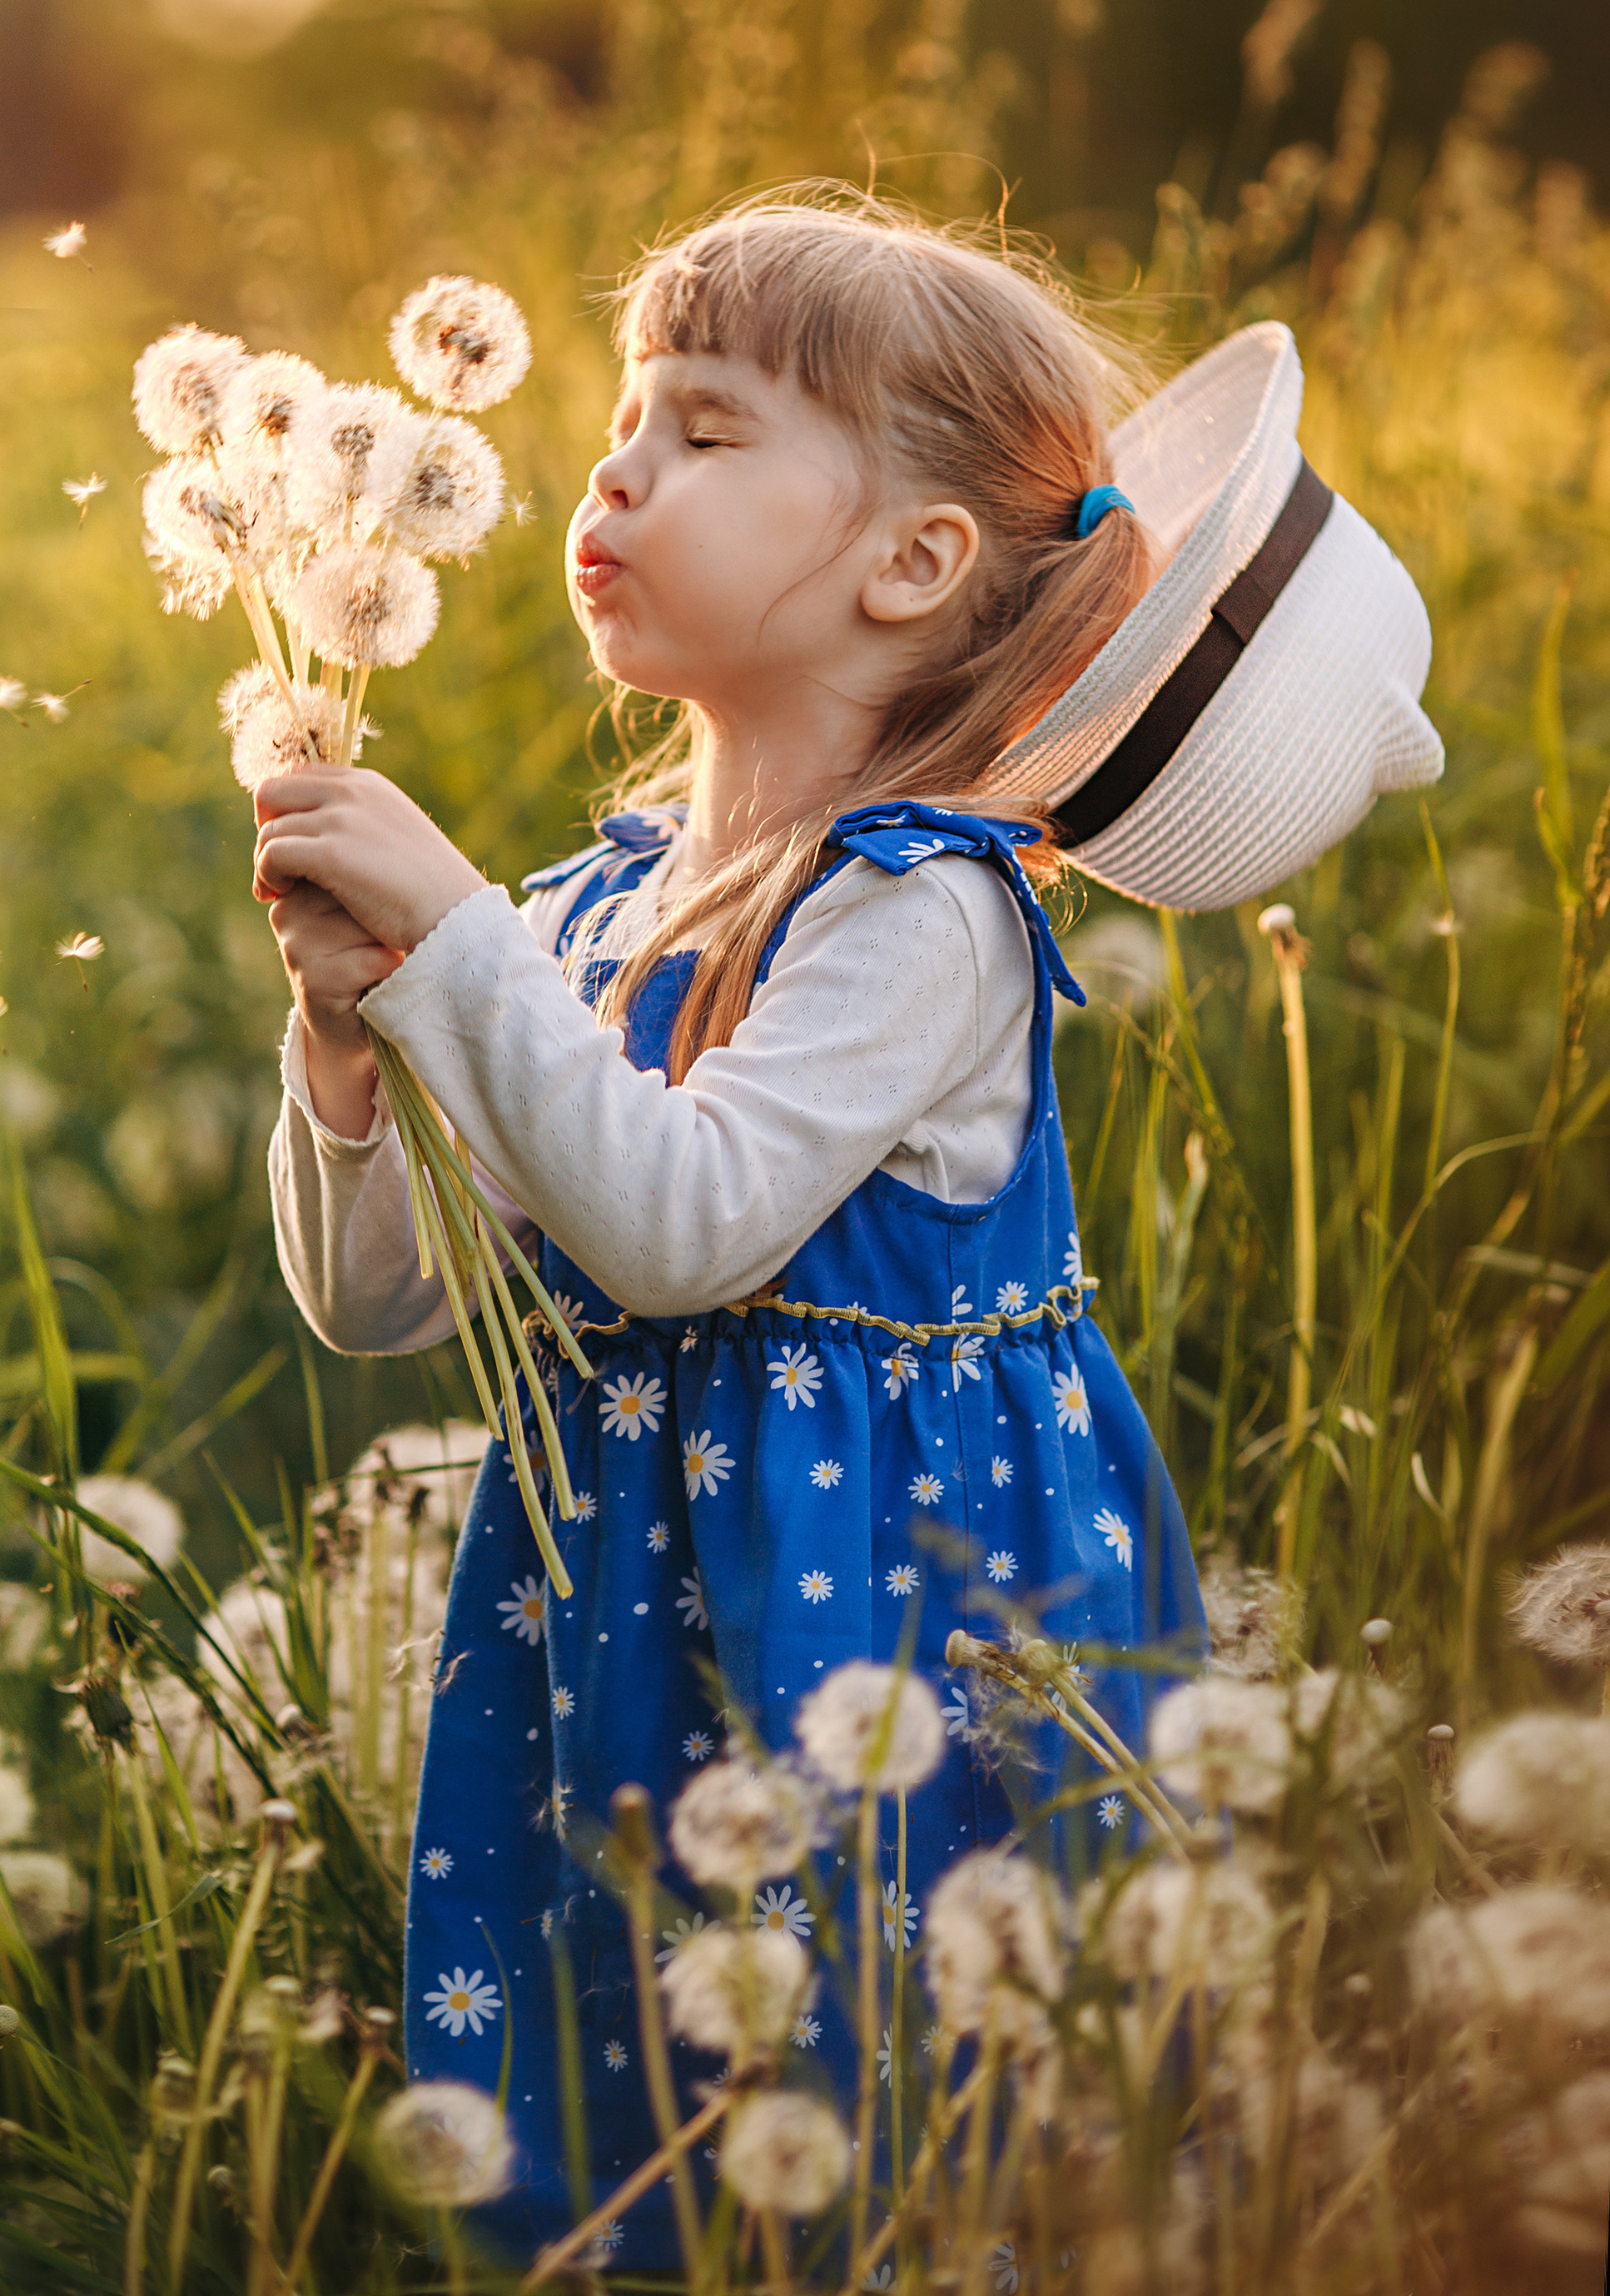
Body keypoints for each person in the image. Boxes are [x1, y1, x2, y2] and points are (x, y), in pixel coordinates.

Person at [252, 189, 1442, 2259]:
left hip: (893, 1616)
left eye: (707, 431)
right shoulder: (587, 908)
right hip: (625, 1617)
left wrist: (449, 944)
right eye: (628, 416)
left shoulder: (923, 909)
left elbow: (678, 1232)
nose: (618, 466)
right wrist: (348, 1061)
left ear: (912, 562)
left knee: (907, 2089)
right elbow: (380, 1303)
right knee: (650, 2079)